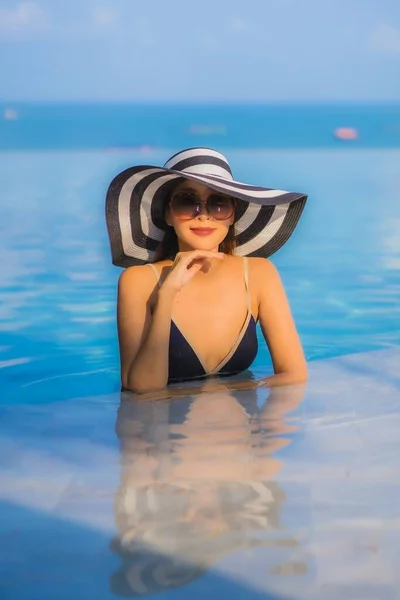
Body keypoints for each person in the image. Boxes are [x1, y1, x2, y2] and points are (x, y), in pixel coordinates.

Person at [105, 147, 308, 394]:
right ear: (168, 214)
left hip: (242, 430)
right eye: (187, 202)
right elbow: (143, 389)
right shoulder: (138, 281)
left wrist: (216, 393)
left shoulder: (259, 274)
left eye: (218, 203)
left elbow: (294, 374)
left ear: (233, 214)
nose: (203, 216)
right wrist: (167, 294)